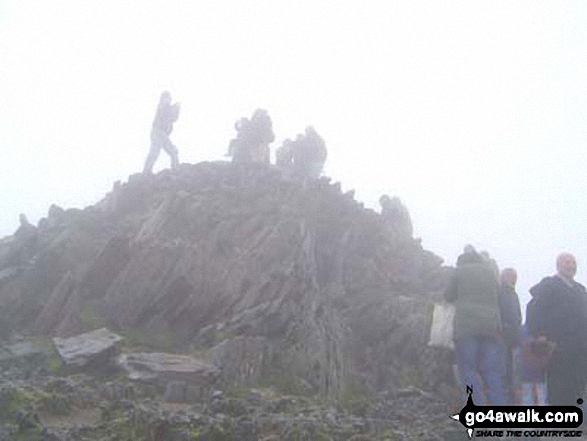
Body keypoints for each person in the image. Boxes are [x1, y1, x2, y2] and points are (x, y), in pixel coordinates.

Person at [444, 246, 506, 405]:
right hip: (491, 328)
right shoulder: (490, 273)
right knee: (491, 371)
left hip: (467, 327)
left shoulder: (459, 271)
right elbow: (498, 295)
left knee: (468, 370)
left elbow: (448, 296)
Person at [526, 253, 587, 406]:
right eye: (567, 262)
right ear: (558, 265)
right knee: (559, 385)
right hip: (557, 345)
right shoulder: (549, 285)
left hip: (580, 346)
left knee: (577, 385)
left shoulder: (580, 290)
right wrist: (539, 335)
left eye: (573, 263)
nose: (571, 266)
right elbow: (535, 310)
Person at [498, 268, 522, 403]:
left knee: (511, 368)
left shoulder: (513, 294)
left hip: (512, 337)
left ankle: (510, 398)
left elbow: (518, 315)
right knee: (504, 367)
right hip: (503, 336)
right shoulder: (501, 292)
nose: (513, 279)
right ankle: (505, 399)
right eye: (510, 276)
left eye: (514, 276)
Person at [143, 91, 180, 174]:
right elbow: (170, 116)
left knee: (172, 151)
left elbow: (174, 118)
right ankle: (146, 171)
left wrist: (177, 108)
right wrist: (176, 107)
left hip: (161, 133)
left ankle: (176, 169)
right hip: (158, 132)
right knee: (155, 152)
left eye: (168, 98)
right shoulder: (163, 106)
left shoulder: (166, 107)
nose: (168, 100)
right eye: (166, 98)